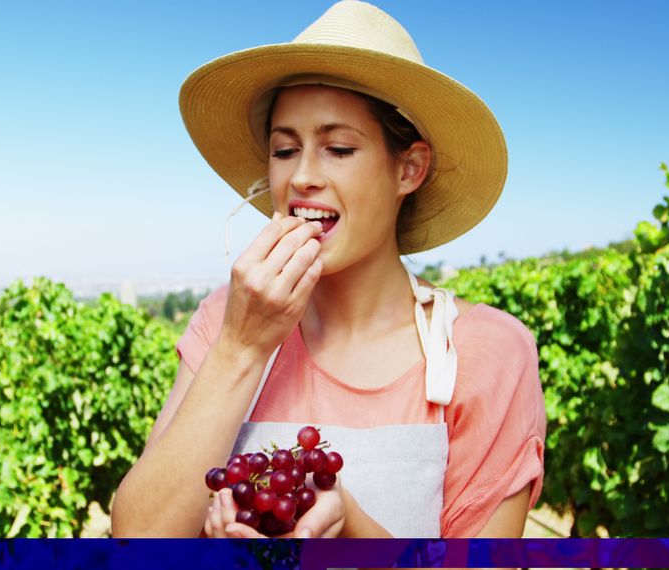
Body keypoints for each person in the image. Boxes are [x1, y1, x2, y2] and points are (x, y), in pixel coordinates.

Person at [112, 0, 545, 539]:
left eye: (338, 148)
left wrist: (350, 533)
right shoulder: (226, 318)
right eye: (285, 149)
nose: (302, 177)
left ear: (409, 168)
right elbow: (139, 539)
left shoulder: (488, 351)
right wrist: (242, 348)